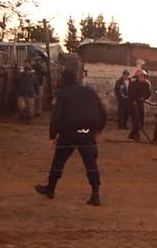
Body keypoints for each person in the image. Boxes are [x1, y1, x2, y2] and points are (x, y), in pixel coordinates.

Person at [35, 68, 106, 206]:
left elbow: (56, 117)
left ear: (63, 80)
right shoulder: (89, 91)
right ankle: (95, 195)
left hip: (69, 132)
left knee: (59, 161)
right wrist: (99, 128)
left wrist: (52, 135)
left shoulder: (62, 94)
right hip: (88, 131)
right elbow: (101, 110)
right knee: (90, 163)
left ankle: (50, 188)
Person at [127, 68, 151, 141]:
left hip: (140, 104)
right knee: (135, 120)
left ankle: (134, 134)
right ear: (137, 76)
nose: (142, 77)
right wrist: (133, 100)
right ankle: (135, 134)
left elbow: (148, 93)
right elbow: (130, 94)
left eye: (143, 76)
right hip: (133, 105)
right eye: (140, 76)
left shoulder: (146, 84)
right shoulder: (133, 84)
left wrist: (144, 98)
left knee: (141, 120)